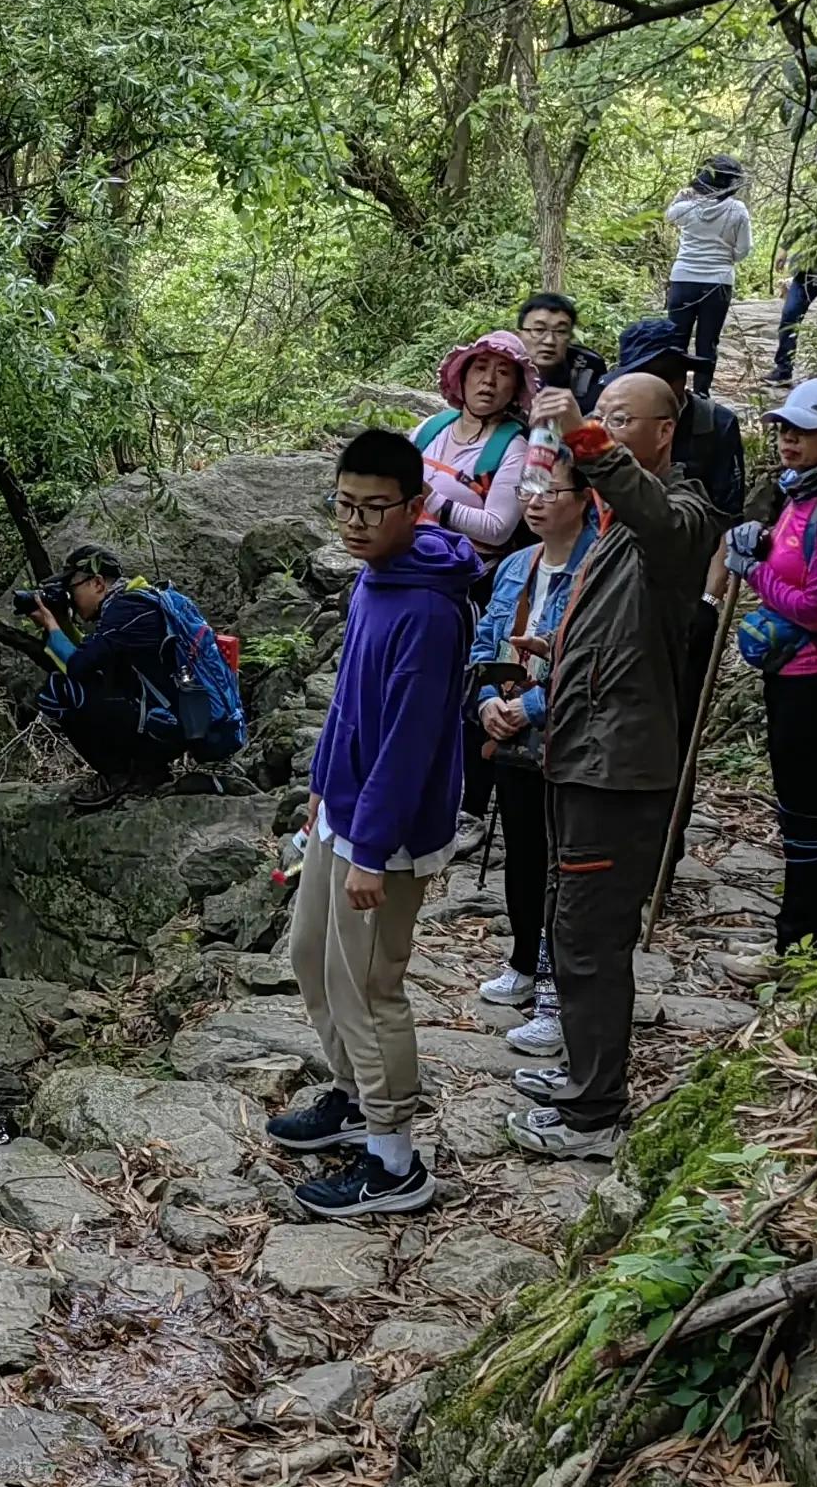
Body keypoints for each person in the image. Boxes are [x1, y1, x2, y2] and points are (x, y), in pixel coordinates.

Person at [259, 431, 485, 1220]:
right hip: (344, 813)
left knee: (370, 987)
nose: (354, 523)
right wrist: (322, 789)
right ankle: (354, 1096)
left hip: (384, 833)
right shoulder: (375, 579)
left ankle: (394, 1163)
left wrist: (374, 849)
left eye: (372, 508)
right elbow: (352, 702)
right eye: (343, 505)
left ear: (415, 507)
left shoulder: (428, 606)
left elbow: (410, 738)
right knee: (312, 956)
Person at [503, 374, 718, 1156]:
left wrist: (584, 439)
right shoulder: (612, 527)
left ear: (665, 431)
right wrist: (551, 653)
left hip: (620, 763)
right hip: (583, 750)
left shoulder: (680, 517)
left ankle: (594, 1112)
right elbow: (616, 635)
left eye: (624, 420)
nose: (609, 429)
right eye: (604, 418)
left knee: (591, 936)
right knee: (573, 924)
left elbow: (655, 517)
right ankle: (582, 1075)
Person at [725, 376, 817, 952]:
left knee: (807, 812)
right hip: (789, 674)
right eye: (785, 427)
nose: (789, 438)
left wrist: (751, 570)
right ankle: (799, 931)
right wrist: (761, 547)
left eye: (804, 430)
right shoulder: (800, 496)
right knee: (794, 806)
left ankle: (801, 938)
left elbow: (816, 609)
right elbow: (793, 570)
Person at [465, 450, 600, 1017]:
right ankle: (524, 961)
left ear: (586, 499)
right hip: (514, 742)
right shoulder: (516, 566)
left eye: (552, 492)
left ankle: (556, 984)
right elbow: (484, 646)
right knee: (522, 853)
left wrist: (536, 706)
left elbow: (600, 662)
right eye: (528, 491)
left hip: (572, 740)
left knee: (565, 863)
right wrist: (488, 700)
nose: (536, 503)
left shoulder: (600, 569)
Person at [26, 547, 243, 790]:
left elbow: (77, 666)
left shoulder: (126, 610)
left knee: (60, 689)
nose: (69, 597)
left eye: (71, 588)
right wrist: (62, 623)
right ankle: (148, 769)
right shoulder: (138, 601)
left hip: (168, 726)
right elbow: (89, 657)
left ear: (97, 583)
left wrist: (51, 625)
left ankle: (118, 776)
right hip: (173, 720)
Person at [614, 315, 749, 522]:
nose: (660, 388)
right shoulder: (607, 424)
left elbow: (728, 512)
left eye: (669, 375)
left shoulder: (715, 424)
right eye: (646, 379)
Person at [418, 332, 534, 563]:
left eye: (502, 372)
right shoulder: (431, 427)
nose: (489, 380)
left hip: (458, 575)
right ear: (463, 377)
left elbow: (498, 530)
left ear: (515, 389)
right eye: (480, 368)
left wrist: (431, 499)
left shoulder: (514, 449)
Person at [662, 157, 754, 390]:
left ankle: (673, 392)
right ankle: (702, 395)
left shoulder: (686, 208)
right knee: (708, 342)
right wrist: (726, 259)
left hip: (683, 280)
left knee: (676, 340)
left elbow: (669, 214)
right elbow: (744, 249)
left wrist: (683, 195)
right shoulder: (738, 211)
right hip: (719, 283)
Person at [517, 289, 613, 414]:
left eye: (561, 331)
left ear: (570, 337)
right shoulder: (503, 369)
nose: (549, 341)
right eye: (539, 329)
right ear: (519, 335)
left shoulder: (586, 372)